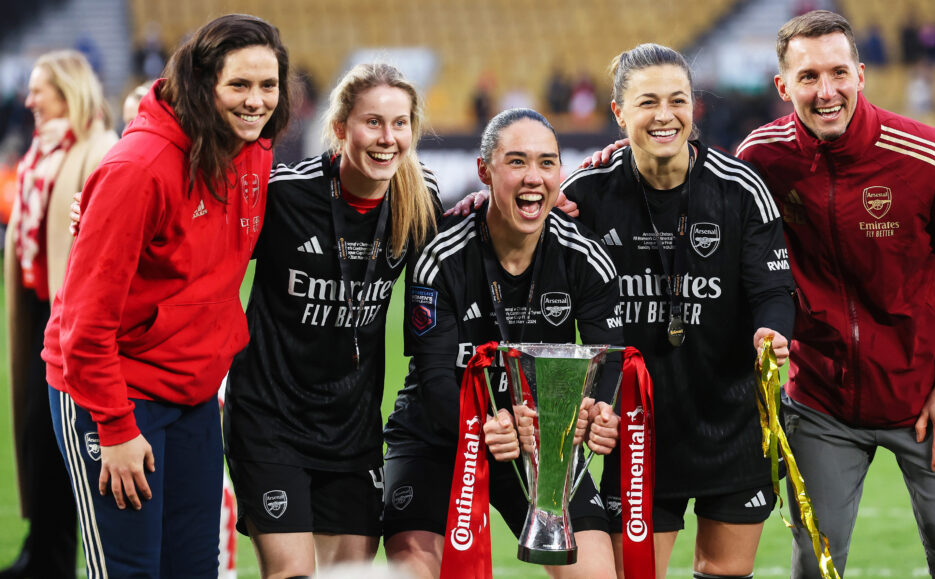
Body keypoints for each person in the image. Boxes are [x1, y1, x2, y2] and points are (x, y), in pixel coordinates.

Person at [735, 10, 935, 578]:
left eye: (838, 73)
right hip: (821, 402)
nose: (826, 91)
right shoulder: (758, 161)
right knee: (815, 567)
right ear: (782, 86)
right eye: (808, 77)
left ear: (861, 75)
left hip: (928, 396)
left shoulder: (930, 159)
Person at [41, 13, 292, 577]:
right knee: (130, 570)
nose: (257, 101)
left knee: (195, 568)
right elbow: (84, 323)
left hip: (192, 395)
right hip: (113, 392)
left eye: (268, 86)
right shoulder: (140, 169)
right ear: (204, 85)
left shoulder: (252, 150)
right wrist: (115, 426)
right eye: (240, 85)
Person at [561, 44, 795, 579]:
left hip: (732, 421)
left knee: (724, 573)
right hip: (637, 430)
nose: (665, 115)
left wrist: (772, 332)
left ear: (694, 106)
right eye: (647, 102)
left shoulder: (740, 189)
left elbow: (774, 291)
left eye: (678, 100)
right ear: (619, 113)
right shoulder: (587, 194)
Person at [382, 108, 623, 579]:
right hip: (440, 434)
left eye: (547, 163)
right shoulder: (442, 256)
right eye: (516, 162)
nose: (533, 177)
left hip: (539, 438)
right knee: (414, 567)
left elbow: (606, 361)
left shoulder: (585, 256)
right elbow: (433, 379)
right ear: (484, 171)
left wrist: (595, 411)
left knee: (596, 574)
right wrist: (483, 429)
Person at [223, 63, 440, 578]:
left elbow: (475, 246)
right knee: (293, 574)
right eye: (373, 122)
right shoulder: (285, 194)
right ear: (341, 128)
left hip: (353, 430)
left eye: (400, 123)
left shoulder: (418, 201)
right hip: (269, 421)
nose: (388, 138)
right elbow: (198, 238)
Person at [2, 50, 117, 578]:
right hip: (40, 310)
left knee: (62, 441)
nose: (29, 100)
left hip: (71, 317)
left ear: (68, 90)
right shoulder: (47, 149)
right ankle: (42, 546)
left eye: (39, 89)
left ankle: (52, 557)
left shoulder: (99, 149)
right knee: (35, 434)